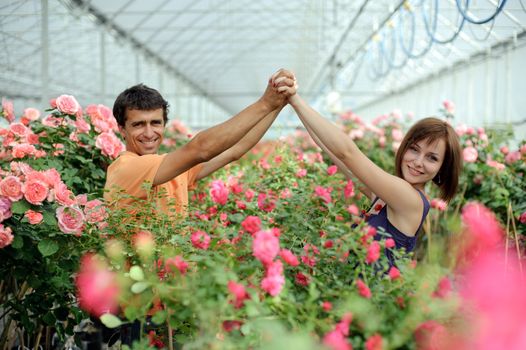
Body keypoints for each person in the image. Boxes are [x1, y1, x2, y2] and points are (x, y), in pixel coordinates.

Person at [279, 72, 462, 265]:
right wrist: (292, 103)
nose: (418, 161)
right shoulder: (387, 198)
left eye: (431, 158)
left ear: (442, 168)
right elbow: (333, 152)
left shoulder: (410, 199)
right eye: (414, 149)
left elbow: (348, 153)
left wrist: (296, 100)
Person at [104, 70, 296, 217]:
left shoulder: (172, 168)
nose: (148, 133)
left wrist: (278, 103)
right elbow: (201, 149)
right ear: (122, 129)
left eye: (155, 123)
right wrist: (265, 103)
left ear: (164, 125)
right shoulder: (125, 168)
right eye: (138, 124)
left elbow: (235, 149)